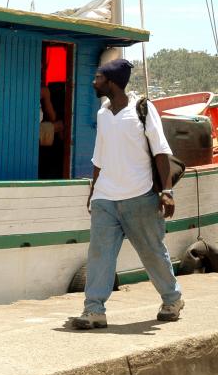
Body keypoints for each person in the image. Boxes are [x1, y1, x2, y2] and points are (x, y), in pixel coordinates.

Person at [73, 58, 183, 330]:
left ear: (111, 82)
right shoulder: (103, 113)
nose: (94, 82)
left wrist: (166, 191)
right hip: (105, 197)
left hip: (140, 195)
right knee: (99, 254)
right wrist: (93, 190)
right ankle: (94, 309)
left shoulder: (142, 109)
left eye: (98, 77)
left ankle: (172, 299)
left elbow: (160, 152)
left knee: (152, 252)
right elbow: (99, 157)